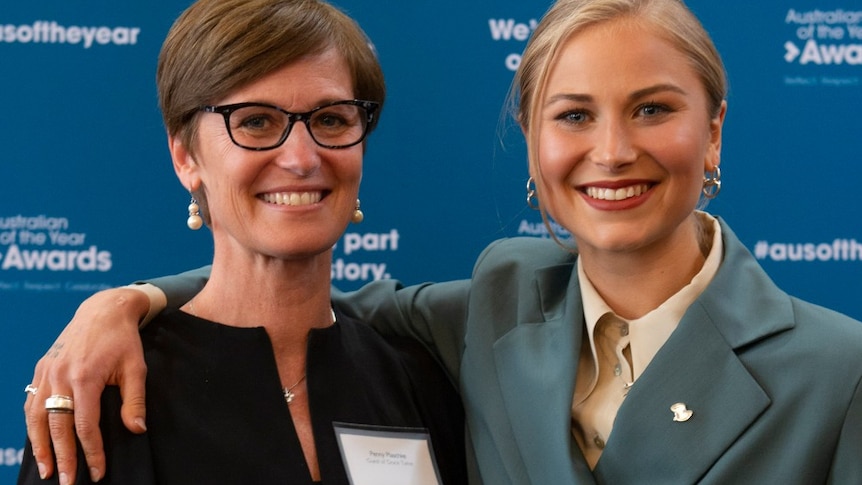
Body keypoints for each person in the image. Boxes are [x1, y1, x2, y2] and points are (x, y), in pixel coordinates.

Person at [24, 0, 862, 483]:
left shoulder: (840, 369)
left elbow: (312, 302)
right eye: (573, 115)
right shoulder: (496, 307)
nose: (612, 150)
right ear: (534, 145)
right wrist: (123, 303)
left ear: (713, 133)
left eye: (653, 109)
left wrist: (124, 299)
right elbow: (280, 297)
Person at [18, 0, 468, 484]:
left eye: (331, 120)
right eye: (255, 121)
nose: (301, 157)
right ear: (185, 156)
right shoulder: (108, 389)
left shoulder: (418, 379)